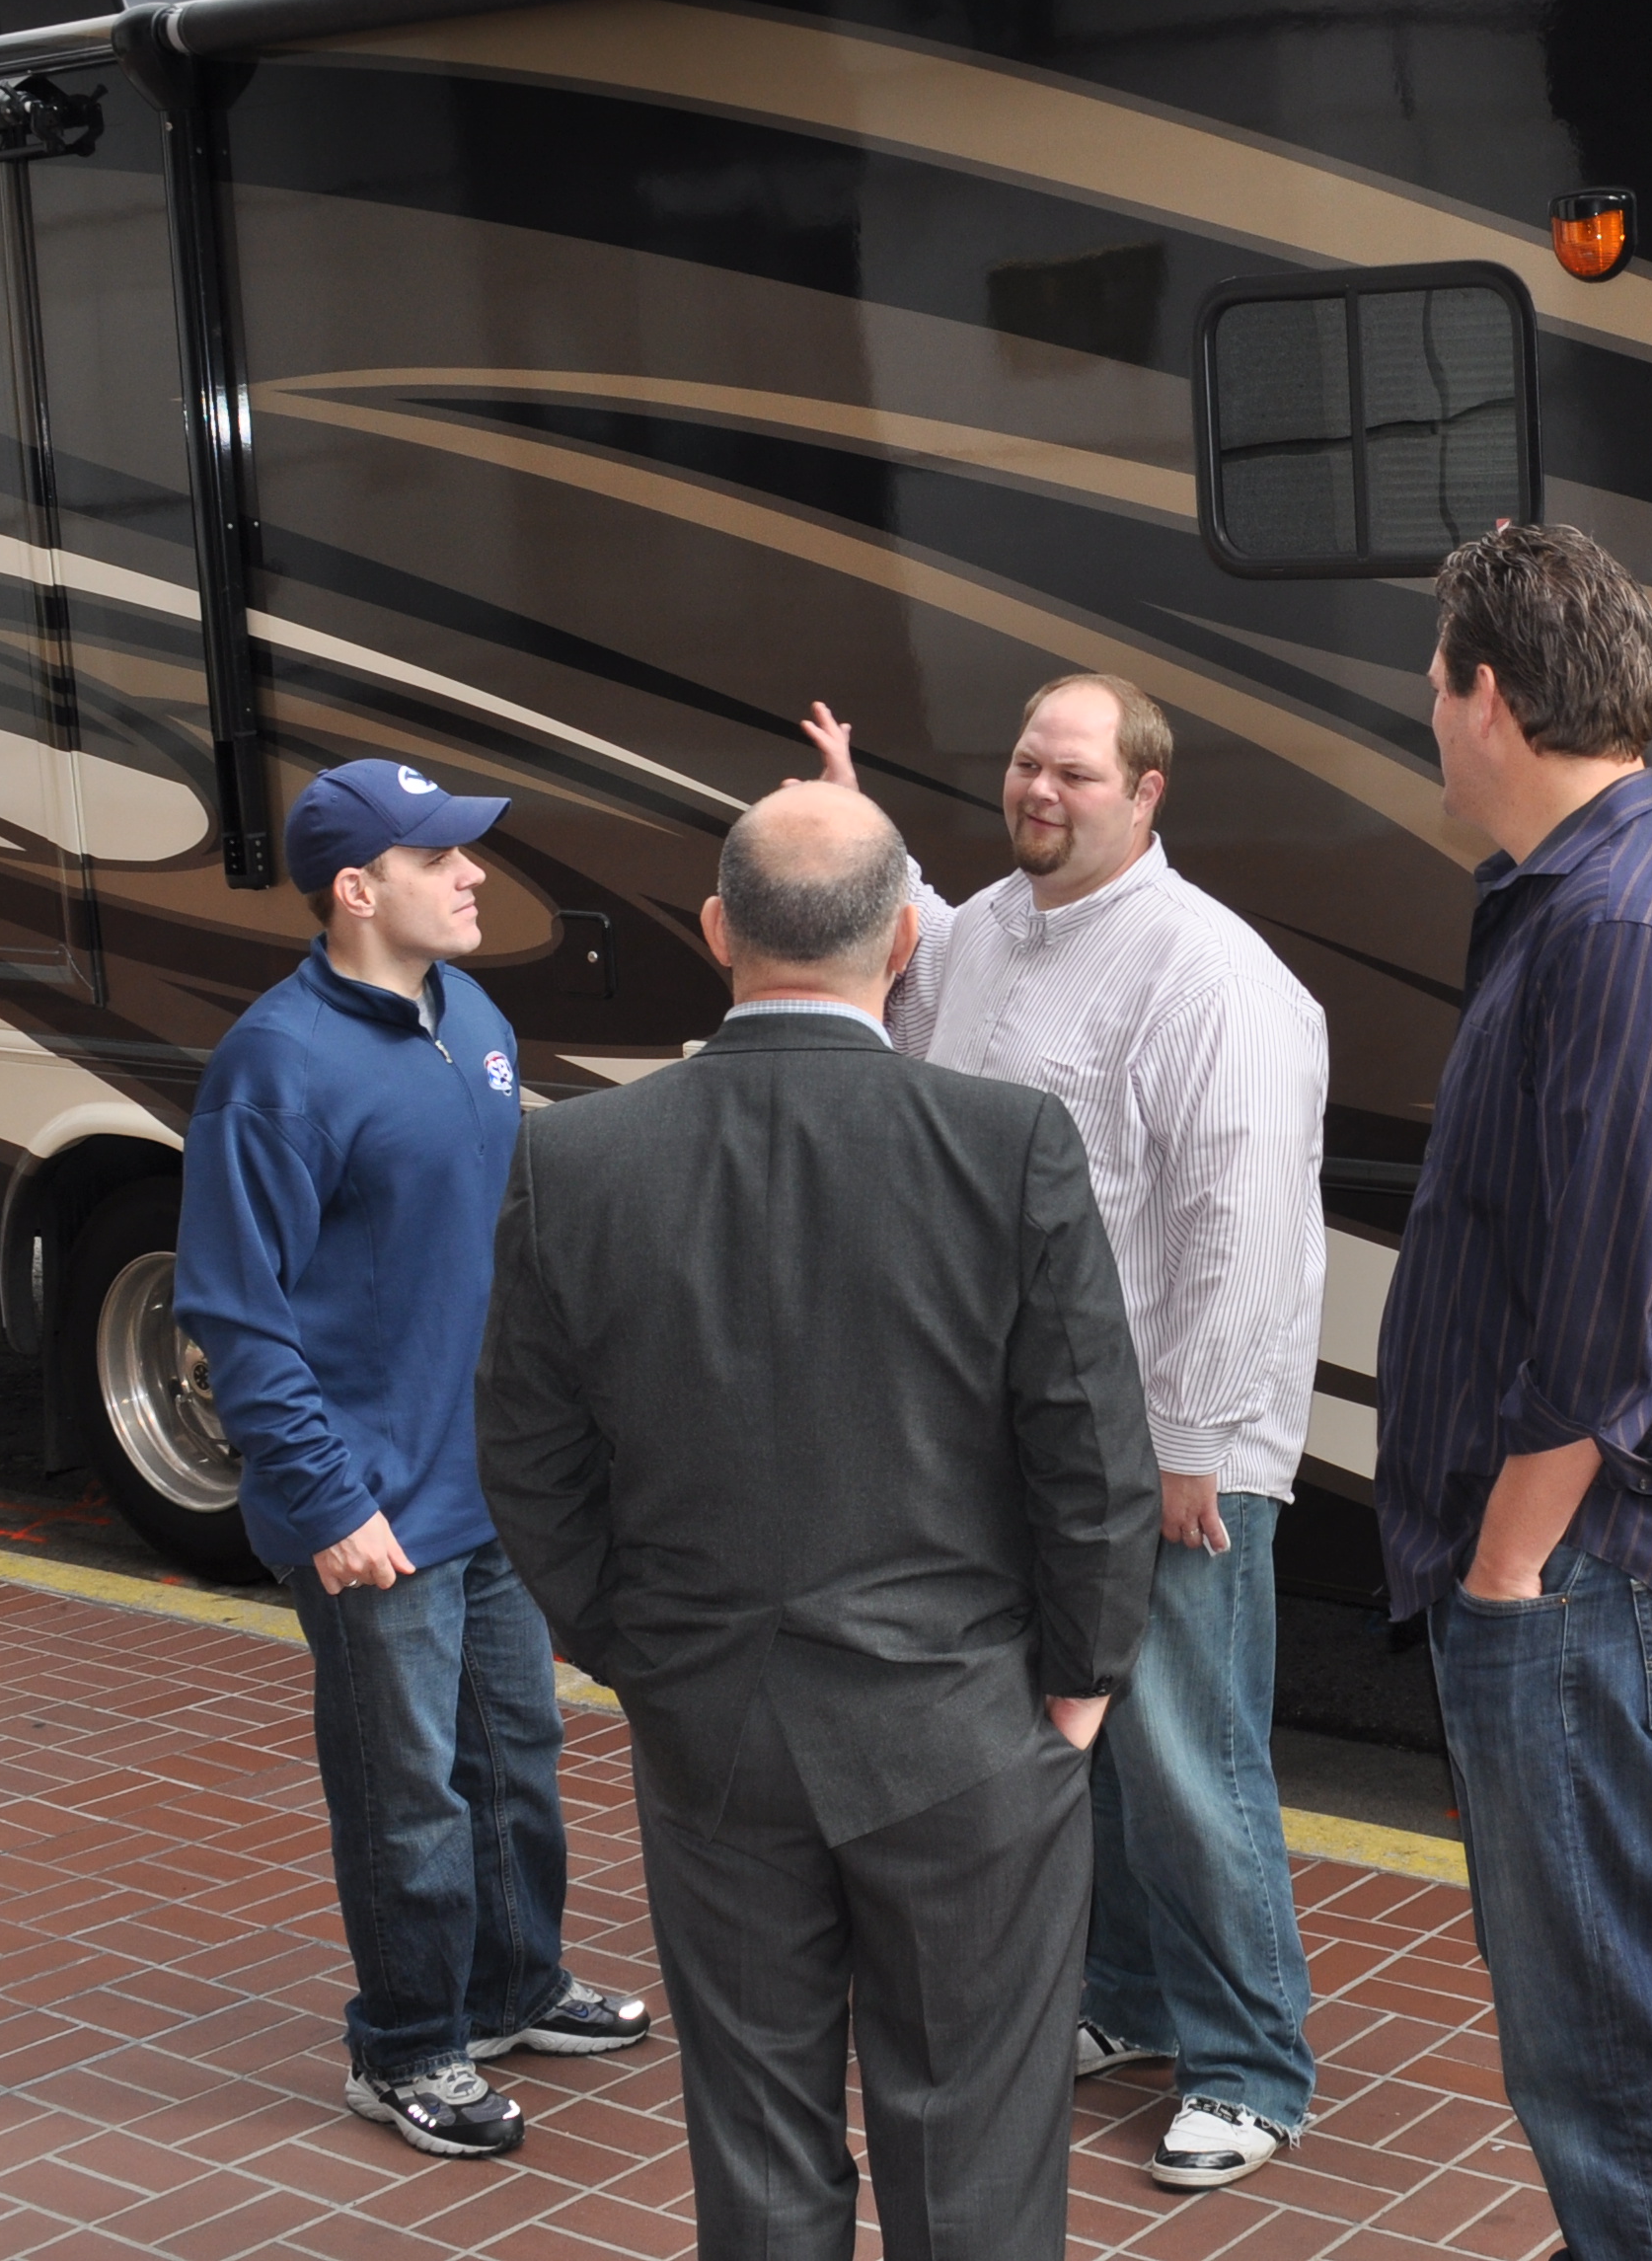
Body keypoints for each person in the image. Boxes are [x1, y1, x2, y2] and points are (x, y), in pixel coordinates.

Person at [478, 783, 1160, 2261]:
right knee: (976, 2140)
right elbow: (1092, 1451)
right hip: (970, 1725)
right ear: (907, 941)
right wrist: (1081, 1685)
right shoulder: (1008, 1145)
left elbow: (528, 1463)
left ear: (720, 930)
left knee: (759, 2146)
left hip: (713, 1726)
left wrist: (643, 1656)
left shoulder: (575, 1160)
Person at [797, 677, 1329, 2191]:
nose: (1042, 788)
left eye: (1077, 772)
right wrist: (851, 801)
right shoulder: (994, 932)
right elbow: (922, 939)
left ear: (1148, 792)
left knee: (1184, 1750)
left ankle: (1250, 2061)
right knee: (1085, 1744)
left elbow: (1248, 1240)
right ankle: (1136, 2000)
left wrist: (1198, 1450)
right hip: (1024, 1438)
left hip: (1162, 1449)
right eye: (1028, 759)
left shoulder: (1209, 975)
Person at [1370, 525, 1652, 2261]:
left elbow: (1610, 1316)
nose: (1427, 704)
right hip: (1594, 1581)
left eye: (1434, 674)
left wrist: (1506, 1571)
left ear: (1488, 691)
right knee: (1601, 2038)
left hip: (1584, 1584)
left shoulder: (1613, 926)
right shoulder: (1606, 891)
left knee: (1612, 2047)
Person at [177, 759, 650, 2159]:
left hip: (489, 1479)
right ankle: (405, 2046)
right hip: (374, 1503)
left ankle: (512, 1987)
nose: (474, 875)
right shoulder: (276, 1065)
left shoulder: (472, 1015)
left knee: (516, 1753)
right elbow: (232, 1305)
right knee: (408, 1796)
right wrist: (325, 1499)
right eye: (443, 858)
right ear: (356, 889)